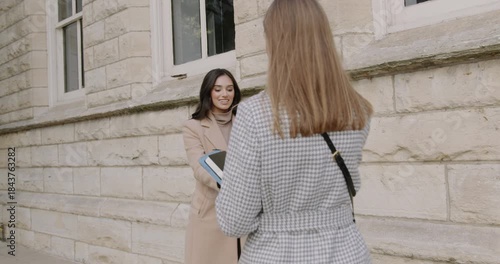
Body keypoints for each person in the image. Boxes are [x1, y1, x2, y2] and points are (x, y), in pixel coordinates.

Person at [215, 0, 374, 263]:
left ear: (275, 43)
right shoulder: (357, 111)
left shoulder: (254, 114)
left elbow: (234, 221)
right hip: (346, 251)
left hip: (277, 253)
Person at [182, 68, 242, 264]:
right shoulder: (194, 126)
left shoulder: (245, 122)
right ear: (208, 91)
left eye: (229, 89)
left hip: (243, 212)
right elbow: (199, 167)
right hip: (210, 213)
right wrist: (229, 183)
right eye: (218, 89)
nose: (224, 94)